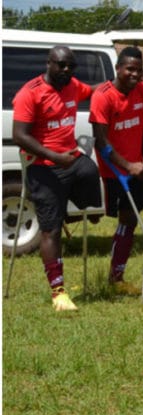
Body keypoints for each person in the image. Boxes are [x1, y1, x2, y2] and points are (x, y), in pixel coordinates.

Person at [11, 44, 104, 311]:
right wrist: (54, 155)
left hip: (70, 160)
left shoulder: (73, 85)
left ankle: (87, 210)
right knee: (50, 229)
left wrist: (118, 82)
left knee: (90, 171)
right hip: (43, 166)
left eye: (70, 66)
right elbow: (20, 136)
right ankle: (58, 291)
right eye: (61, 65)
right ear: (49, 63)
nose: (66, 70)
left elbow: (93, 90)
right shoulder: (30, 93)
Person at [90, 45, 143, 294]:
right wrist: (128, 166)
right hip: (115, 170)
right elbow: (100, 141)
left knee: (130, 219)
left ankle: (116, 276)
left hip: (137, 167)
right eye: (130, 69)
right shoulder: (103, 95)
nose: (135, 74)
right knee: (125, 219)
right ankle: (114, 276)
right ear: (118, 68)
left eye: (139, 70)